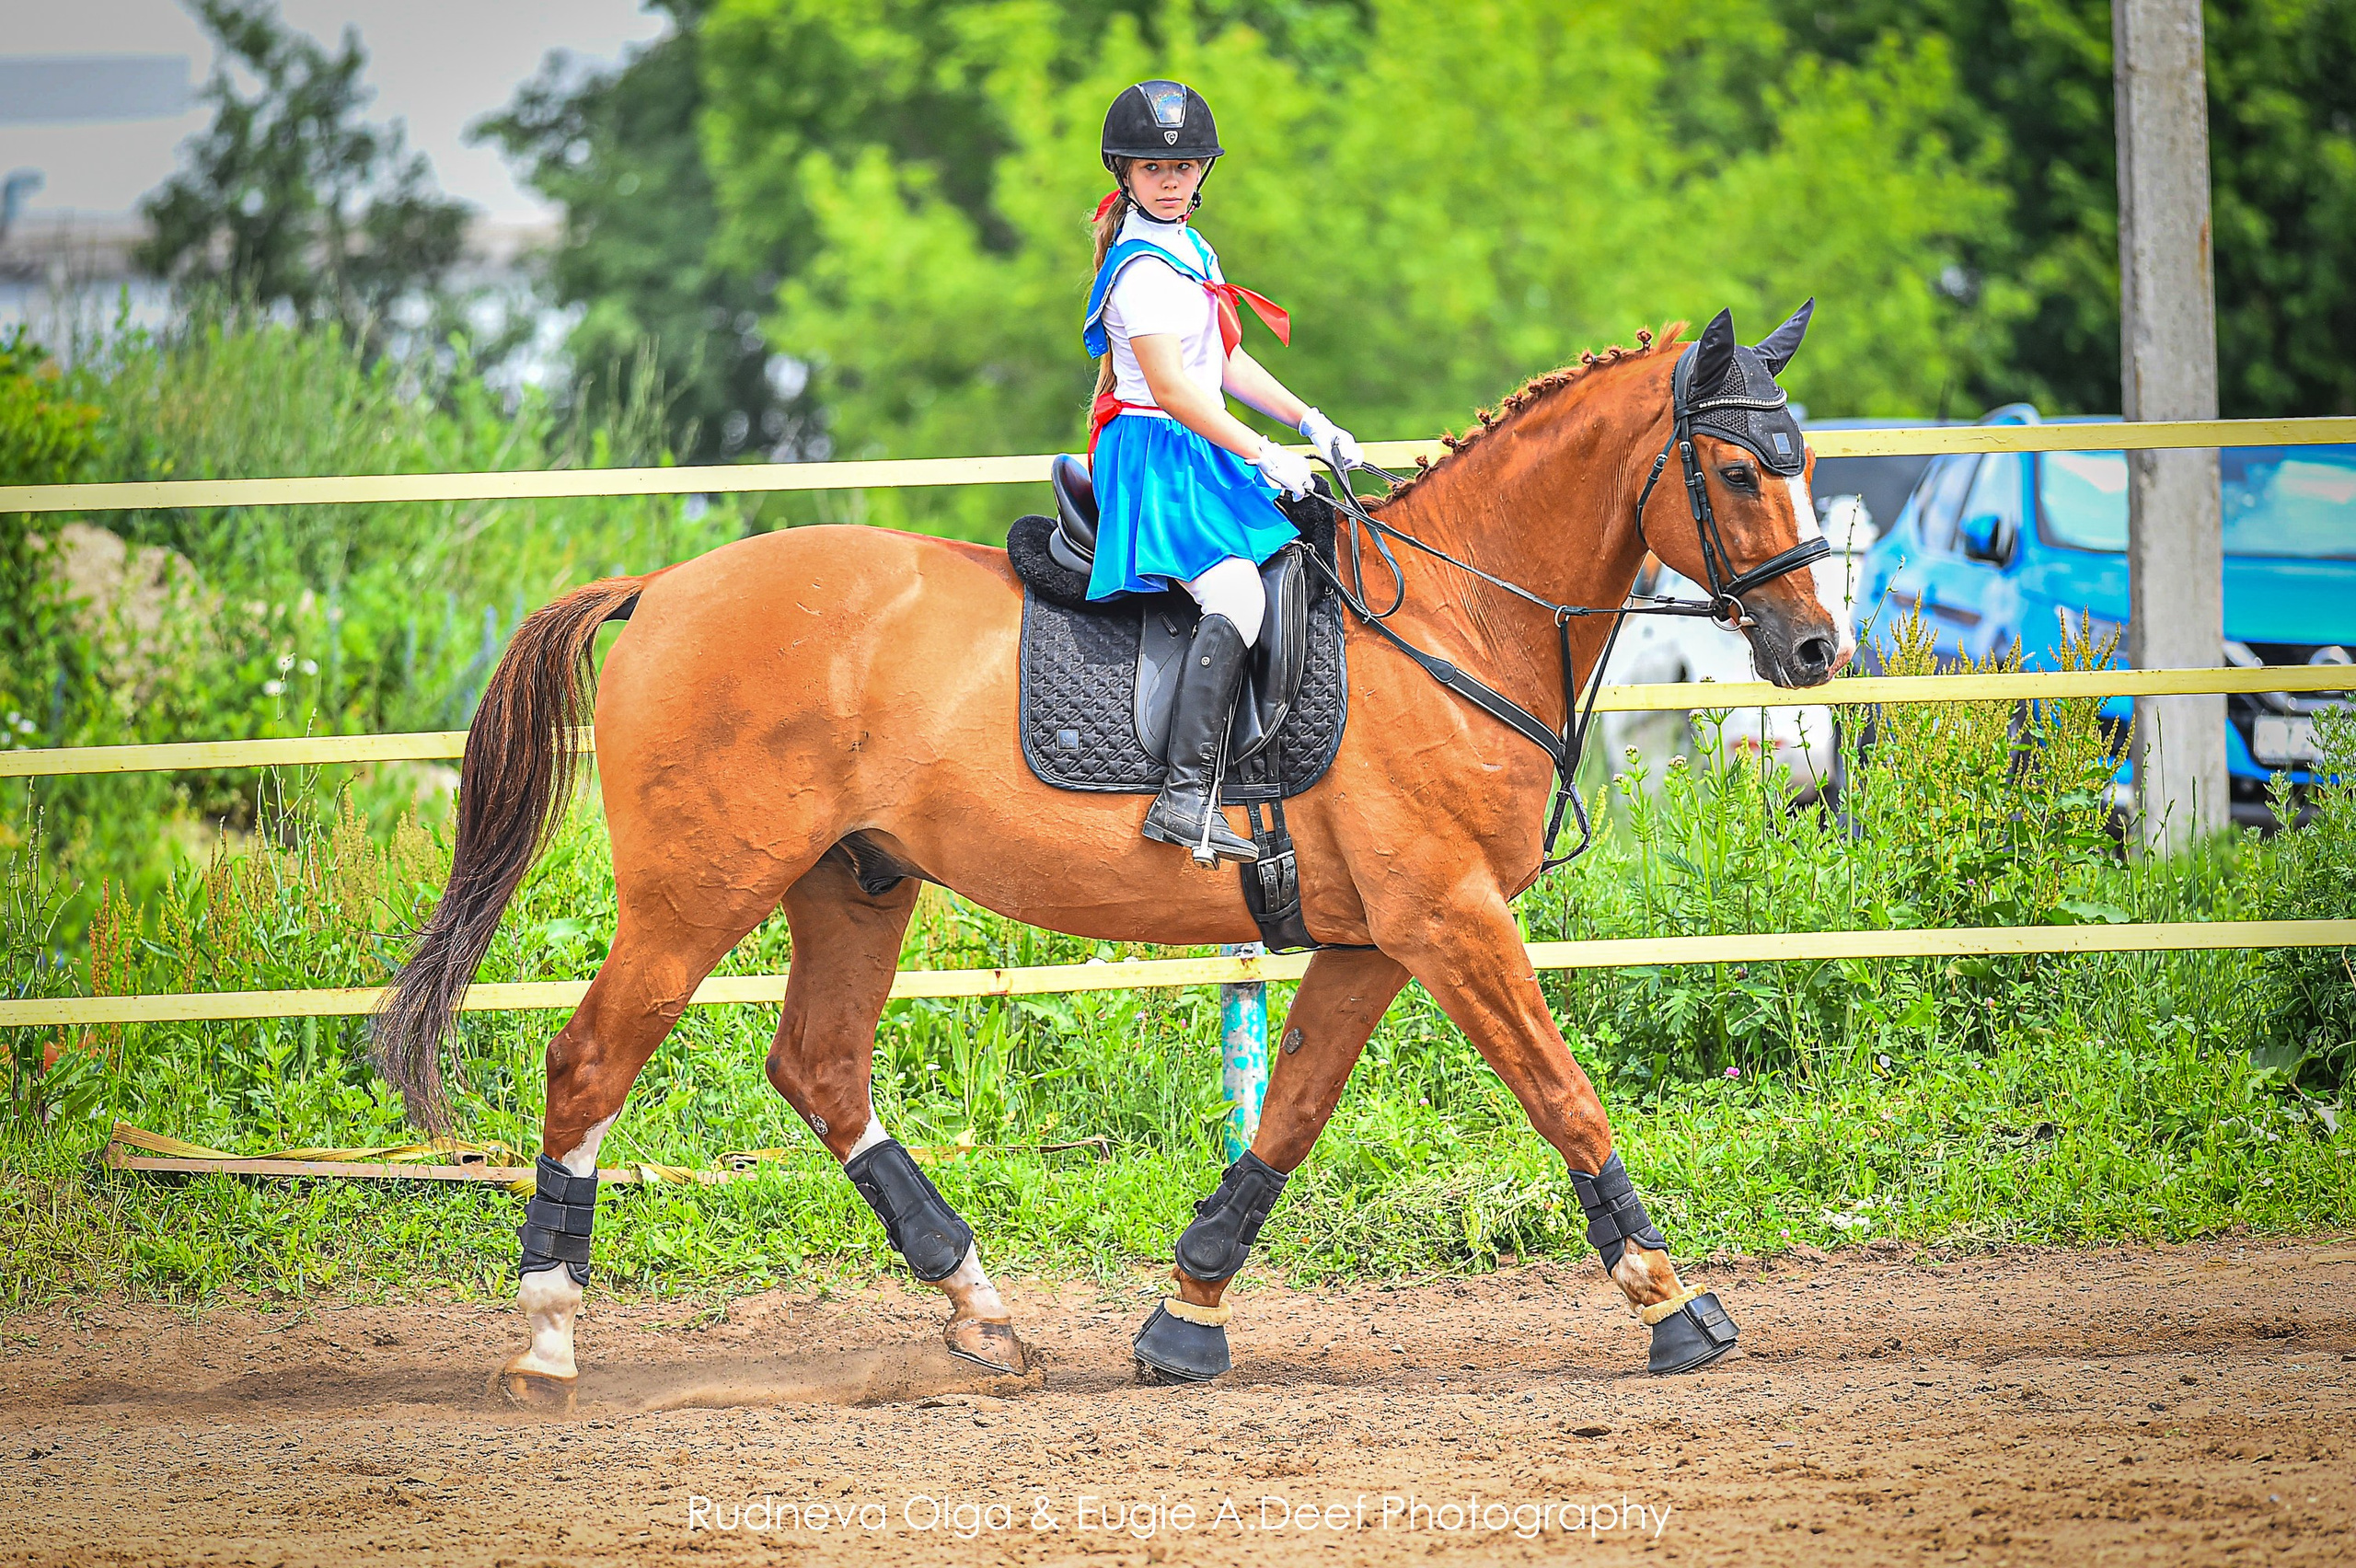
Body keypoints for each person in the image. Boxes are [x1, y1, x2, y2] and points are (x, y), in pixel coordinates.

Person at [1081, 78, 1364, 867]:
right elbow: (1173, 388)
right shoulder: (1141, 270)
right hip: (1159, 454)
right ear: (1125, 175)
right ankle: (1183, 797)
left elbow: (1227, 361)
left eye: (1183, 166)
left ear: (1203, 170)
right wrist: (1261, 452)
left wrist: (1311, 422)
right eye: (1152, 169)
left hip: (1197, 444)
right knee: (1237, 590)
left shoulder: (1191, 250)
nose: (1170, 180)